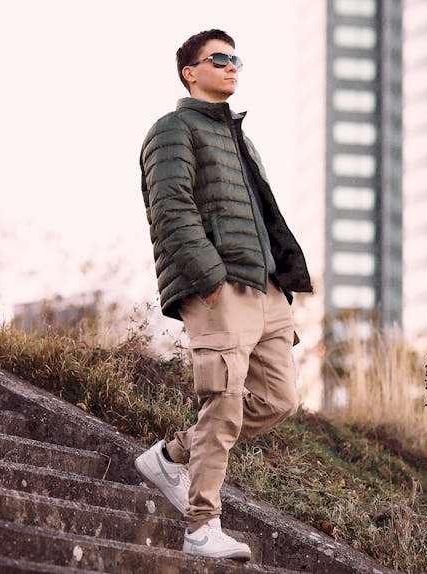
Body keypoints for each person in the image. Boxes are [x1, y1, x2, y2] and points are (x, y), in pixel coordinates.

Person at [135, 29, 312, 561]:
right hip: (218, 287)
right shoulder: (171, 130)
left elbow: (261, 215)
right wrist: (208, 278)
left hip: (265, 289)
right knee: (225, 399)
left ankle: (172, 456)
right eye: (219, 58)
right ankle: (200, 526)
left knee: (279, 399)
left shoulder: (240, 138)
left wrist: (281, 277)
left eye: (236, 58)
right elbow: (170, 209)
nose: (232, 66)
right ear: (191, 71)